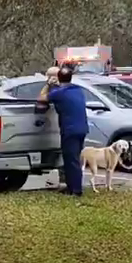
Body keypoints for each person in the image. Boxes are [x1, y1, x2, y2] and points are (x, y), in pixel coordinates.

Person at [38, 65, 89, 196]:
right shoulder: (78, 90)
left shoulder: (59, 93)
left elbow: (42, 98)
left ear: (59, 79)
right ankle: (70, 186)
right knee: (73, 158)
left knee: (71, 160)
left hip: (70, 130)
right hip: (82, 128)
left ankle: (76, 190)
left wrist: (48, 84)